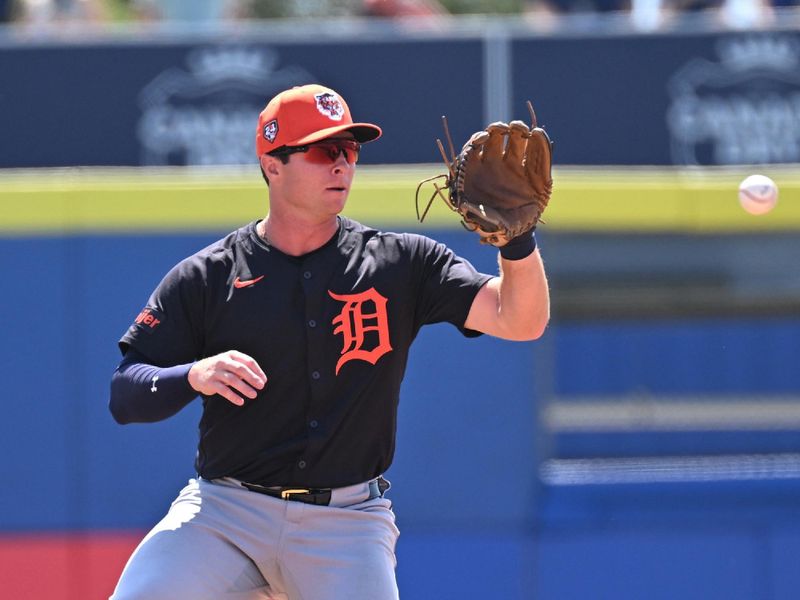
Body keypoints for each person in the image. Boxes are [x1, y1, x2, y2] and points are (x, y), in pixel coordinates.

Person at [109, 83, 550, 600]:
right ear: (272, 164)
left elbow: (520, 320)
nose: (341, 164)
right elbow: (126, 393)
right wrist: (193, 375)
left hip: (346, 521)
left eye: (350, 149)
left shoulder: (400, 262)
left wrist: (518, 244)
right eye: (323, 150)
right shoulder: (209, 276)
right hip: (227, 514)